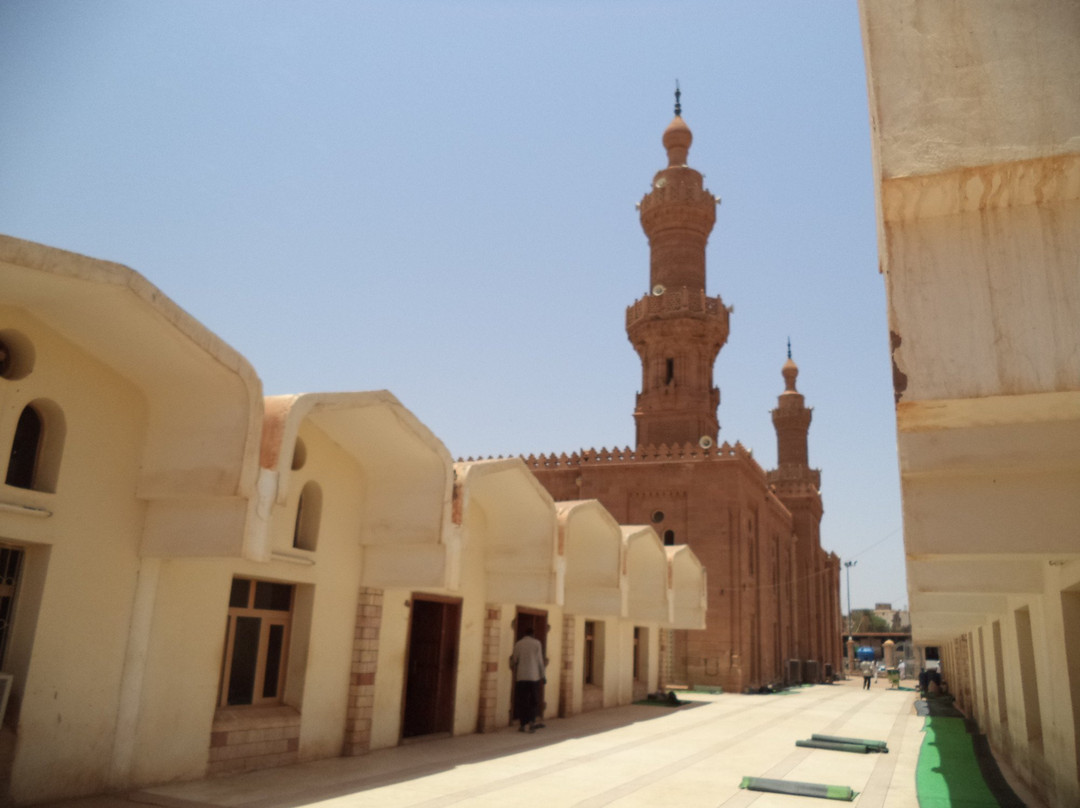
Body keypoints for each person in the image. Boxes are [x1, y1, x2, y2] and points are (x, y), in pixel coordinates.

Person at [510, 626, 546, 732]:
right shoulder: (537, 643)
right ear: (533, 634)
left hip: (521, 677)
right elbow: (540, 661)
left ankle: (522, 724)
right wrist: (543, 675)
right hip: (534, 677)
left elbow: (514, 659)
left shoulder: (518, 644)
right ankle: (532, 723)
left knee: (523, 701)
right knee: (534, 701)